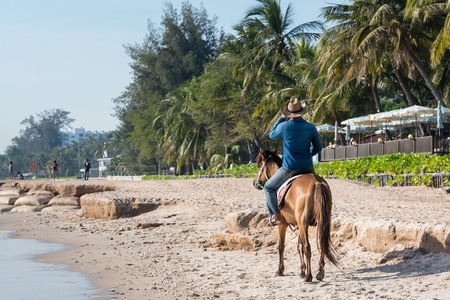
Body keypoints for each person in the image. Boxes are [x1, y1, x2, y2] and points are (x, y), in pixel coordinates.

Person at [264, 97, 322, 226]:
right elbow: (318, 147)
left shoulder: (284, 126)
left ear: (289, 113)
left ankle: (275, 215)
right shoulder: (311, 127)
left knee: (268, 188)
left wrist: (281, 118)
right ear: (302, 111)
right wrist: (308, 154)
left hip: (289, 168)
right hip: (307, 168)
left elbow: (272, 134)